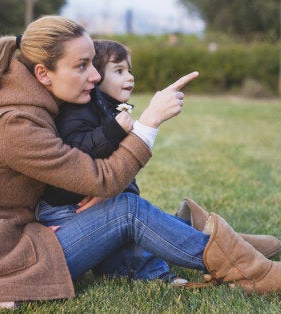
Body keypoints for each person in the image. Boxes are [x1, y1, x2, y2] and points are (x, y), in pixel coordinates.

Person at [0, 15, 281, 309]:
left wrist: (94, 194)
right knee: (124, 208)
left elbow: (82, 170)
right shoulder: (15, 124)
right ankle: (245, 267)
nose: (94, 76)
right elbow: (102, 178)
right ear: (42, 73)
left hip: (11, 241)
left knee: (116, 205)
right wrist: (148, 123)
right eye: (81, 66)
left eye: (93, 63)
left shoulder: (25, 103)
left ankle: (207, 238)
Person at [38, 39, 183, 285]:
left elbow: (122, 170)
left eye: (129, 70)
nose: (130, 77)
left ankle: (195, 233)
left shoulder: (108, 110)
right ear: (95, 76)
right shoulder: (78, 111)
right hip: (66, 207)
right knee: (127, 228)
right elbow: (75, 153)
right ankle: (154, 273)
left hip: (85, 198)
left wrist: (111, 190)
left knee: (134, 214)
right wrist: (114, 131)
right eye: (119, 71)